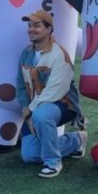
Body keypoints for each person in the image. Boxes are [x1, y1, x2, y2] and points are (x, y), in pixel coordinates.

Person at [16, 9, 87, 178]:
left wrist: (30, 110)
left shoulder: (58, 54)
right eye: (29, 25)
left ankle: (53, 162)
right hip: (36, 107)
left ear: (48, 29)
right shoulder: (26, 53)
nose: (31, 29)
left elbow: (54, 91)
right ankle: (76, 140)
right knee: (29, 155)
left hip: (63, 104)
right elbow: (20, 84)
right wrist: (26, 107)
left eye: (36, 25)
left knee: (41, 115)